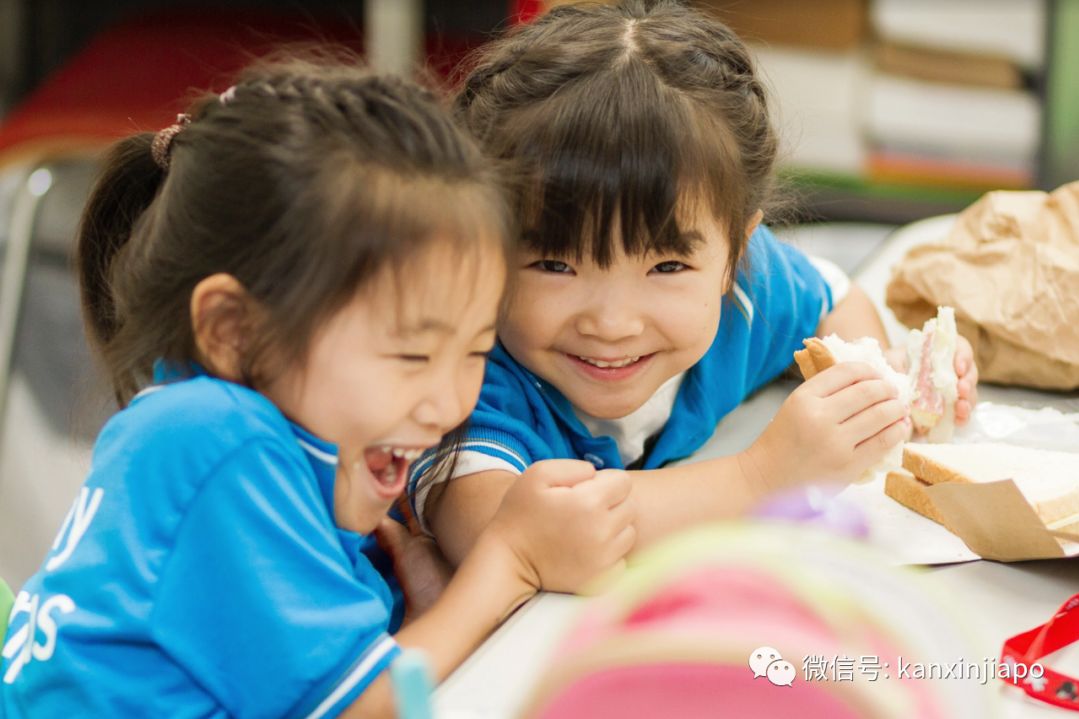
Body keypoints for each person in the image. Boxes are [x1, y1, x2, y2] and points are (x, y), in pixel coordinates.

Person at [0, 59, 635, 718]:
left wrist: (424, 598)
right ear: (234, 331)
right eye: (412, 353)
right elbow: (367, 708)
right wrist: (509, 560)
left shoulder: (281, 440)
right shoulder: (217, 438)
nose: (450, 404)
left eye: (474, 351)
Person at [408, 0, 979, 563]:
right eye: (556, 265)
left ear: (735, 250)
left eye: (666, 268)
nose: (612, 323)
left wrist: (883, 390)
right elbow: (500, 532)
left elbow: (834, 297)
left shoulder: (748, 291)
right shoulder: (464, 373)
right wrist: (763, 475)